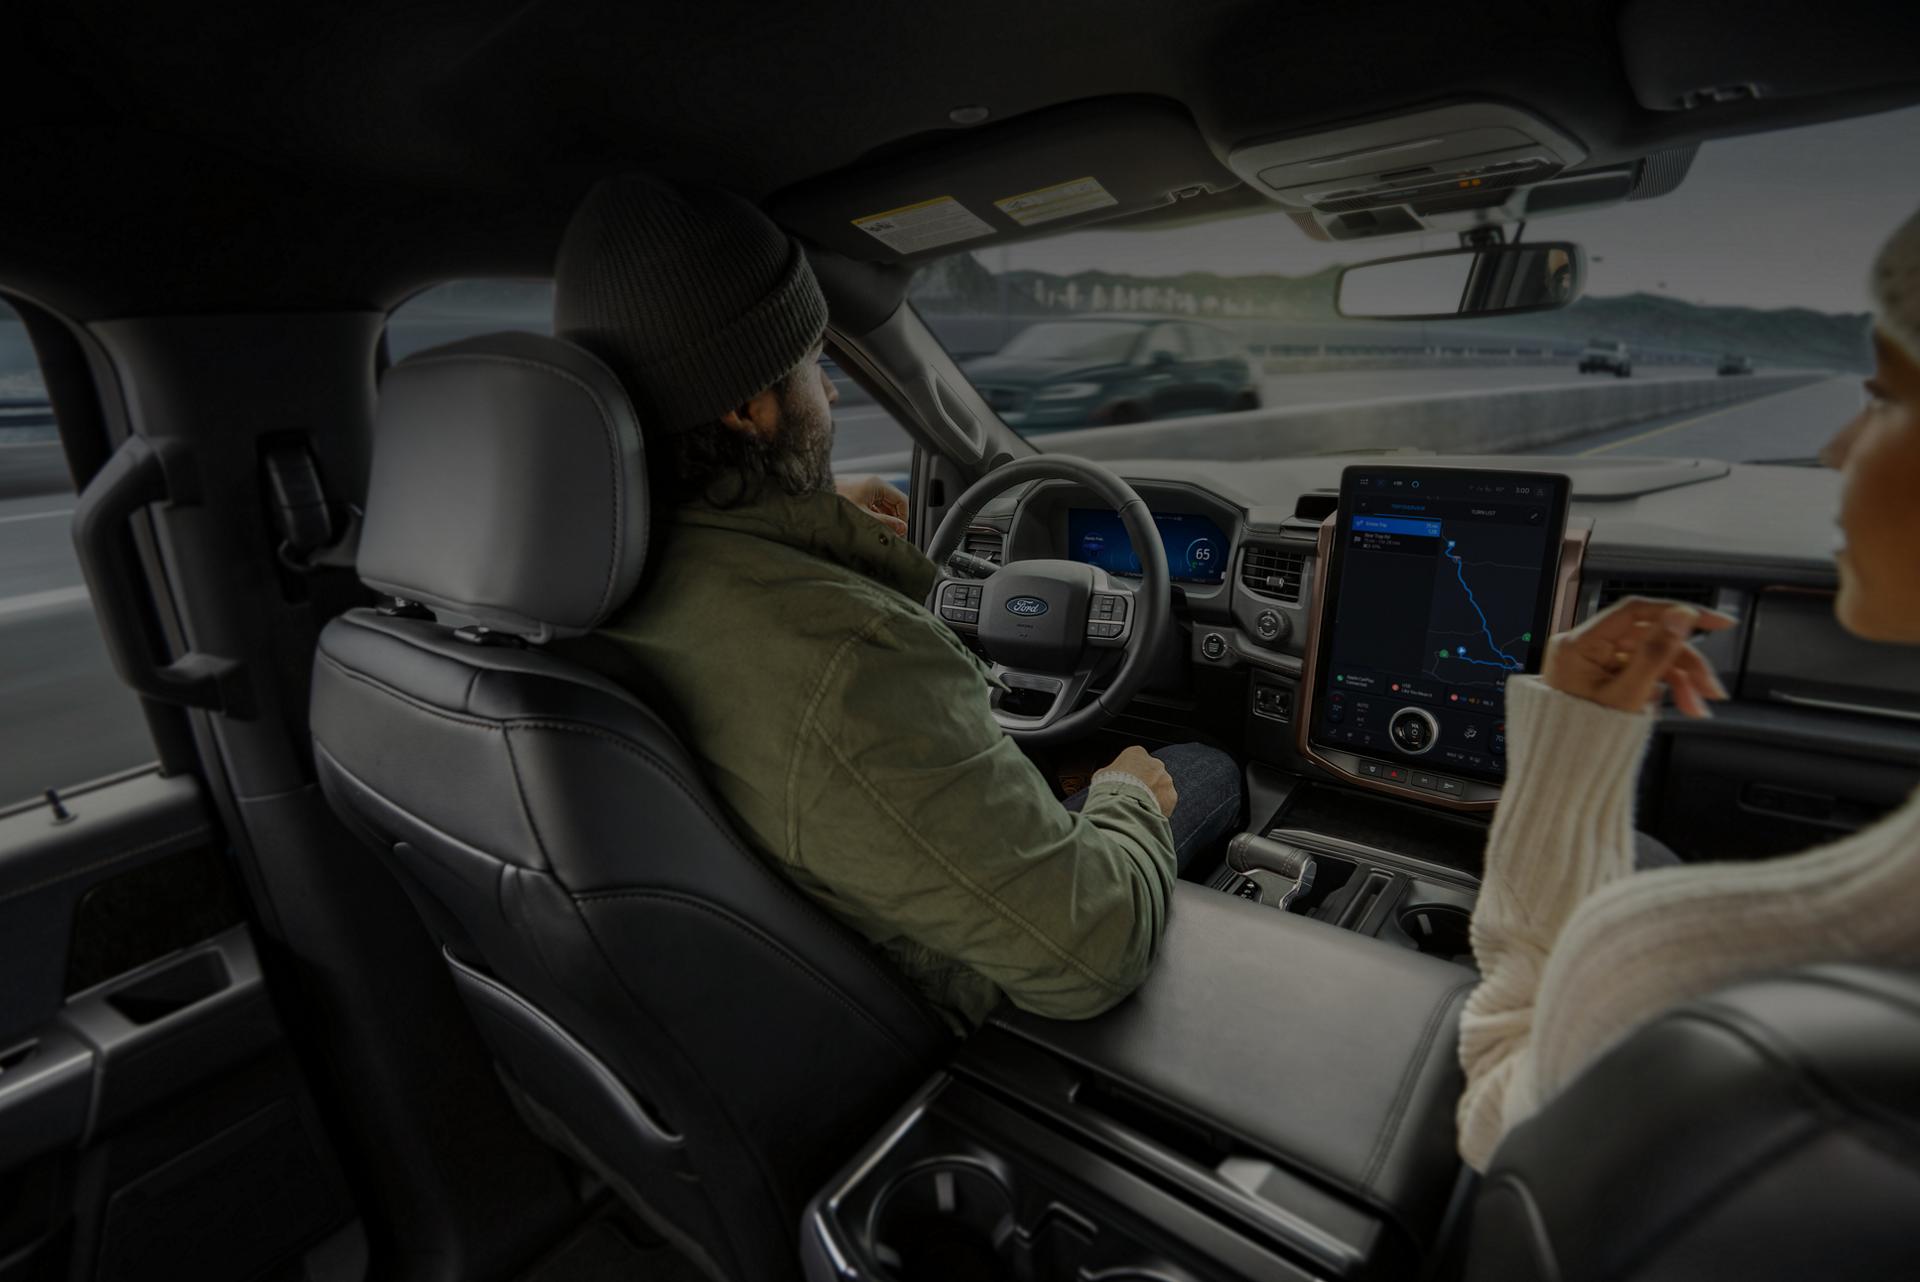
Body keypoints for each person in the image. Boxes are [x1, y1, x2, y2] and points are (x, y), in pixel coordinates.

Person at [552, 175, 1241, 1032]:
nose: (833, 394)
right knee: (1201, 769)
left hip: (784, 982)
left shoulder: (587, 577)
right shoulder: (849, 659)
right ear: (745, 407)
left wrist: (823, 522)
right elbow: (1091, 951)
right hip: (943, 1022)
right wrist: (1123, 797)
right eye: (814, 366)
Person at [1456, 206, 1920, 1171]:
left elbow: (1502, 1088)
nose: (1838, 448)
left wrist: (1563, 753)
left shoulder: (1674, 966)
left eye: (1882, 397)